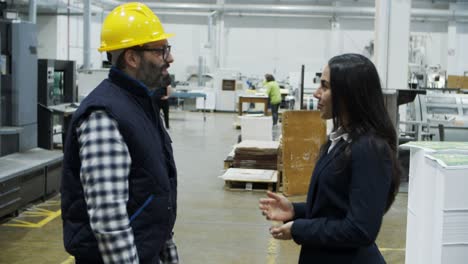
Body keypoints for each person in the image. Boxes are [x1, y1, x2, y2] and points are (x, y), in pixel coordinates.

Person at [61, 3, 178, 263]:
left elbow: (155, 192)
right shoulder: (105, 115)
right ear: (132, 58)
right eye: (161, 51)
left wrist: (168, 255)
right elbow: (108, 219)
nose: (169, 58)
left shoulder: (144, 106)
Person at [259, 54, 401, 264]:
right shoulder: (341, 140)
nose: (317, 93)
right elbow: (336, 206)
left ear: (348, 95)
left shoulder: (369, 149)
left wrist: (300, 229)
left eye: (325, 87)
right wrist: (295, 211)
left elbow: (360, 229)